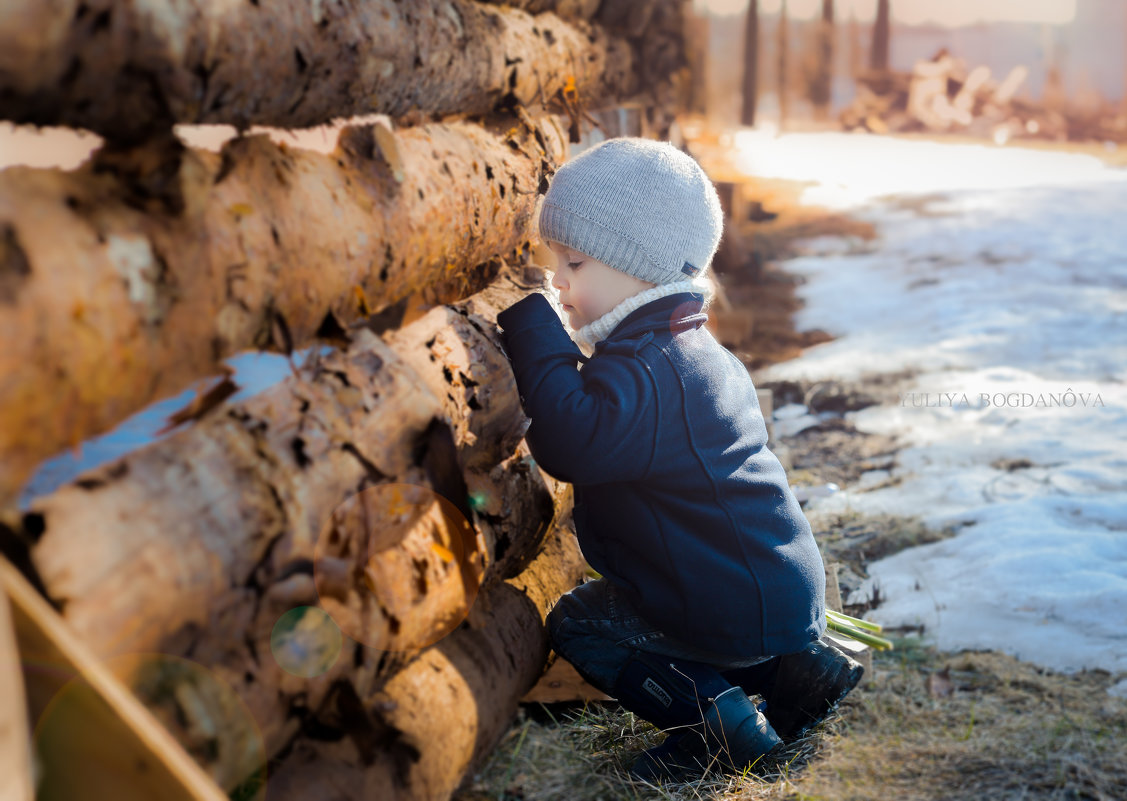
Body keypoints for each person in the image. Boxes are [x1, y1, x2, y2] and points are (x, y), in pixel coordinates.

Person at [496, 137, 862, 782]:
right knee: (661, 616)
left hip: (723, 600)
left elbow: (573, 439)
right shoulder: (686, 352)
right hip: (767, 594)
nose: (558, 280)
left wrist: (533, 331)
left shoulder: (653, 369)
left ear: (638, 267)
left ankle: (717, 729)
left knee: (582, 622)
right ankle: (795, 670)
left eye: (574, 262)